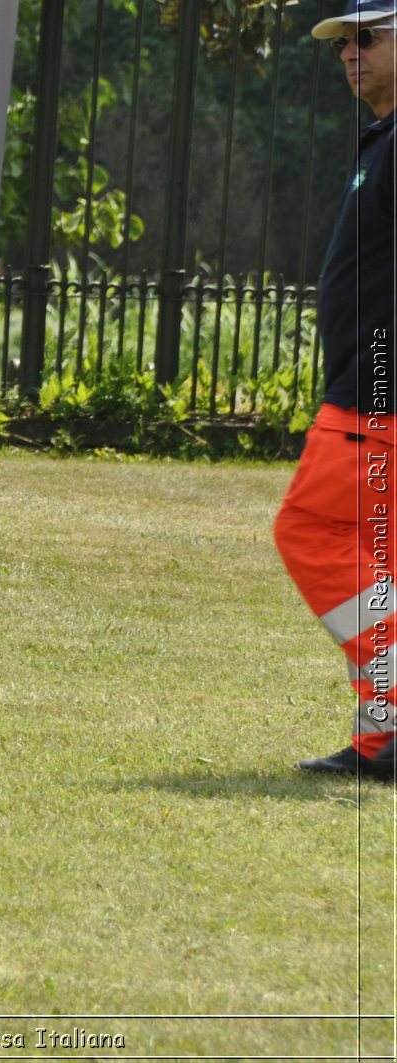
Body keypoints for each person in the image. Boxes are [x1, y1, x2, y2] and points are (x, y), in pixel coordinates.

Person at [280, 0, 397, 779]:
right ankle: (380, 740)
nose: (349, 54)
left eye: (368, 38)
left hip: (373, 393)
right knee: (381, 566)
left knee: (312, 533)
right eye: (342, 44)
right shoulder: (383, 138)